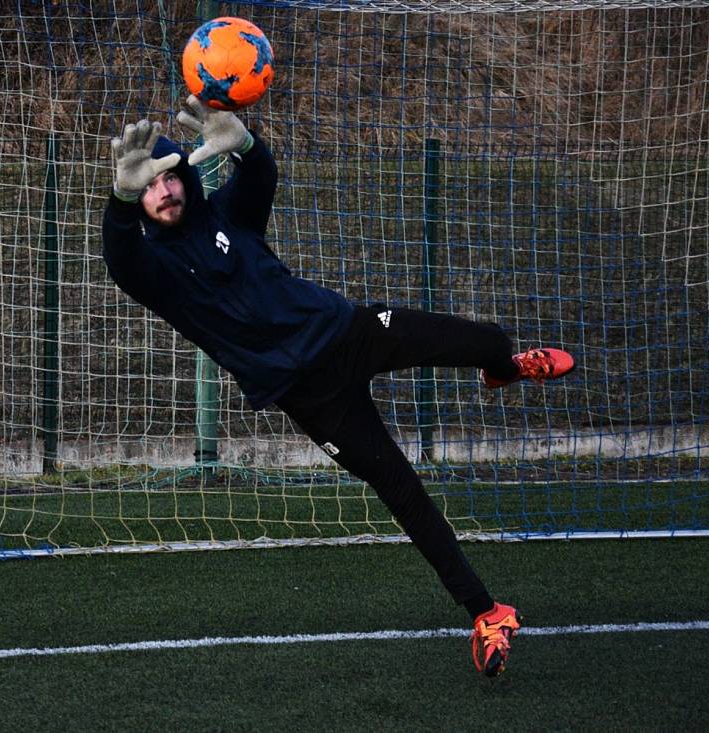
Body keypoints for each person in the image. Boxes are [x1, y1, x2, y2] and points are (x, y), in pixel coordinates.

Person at [102, 96, 575, 678]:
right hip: (308, 395)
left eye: (172, 176)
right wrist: (121, 201)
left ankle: (503, 367)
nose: (165, 190)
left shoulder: (229, 214)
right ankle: (486, 613)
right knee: (401, 489)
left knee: (481, 338)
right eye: (151, 186)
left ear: (189, 179)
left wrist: (247, 144)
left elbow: (261, 174)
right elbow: (119, 258)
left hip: (349, 331)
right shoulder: (153, 272)